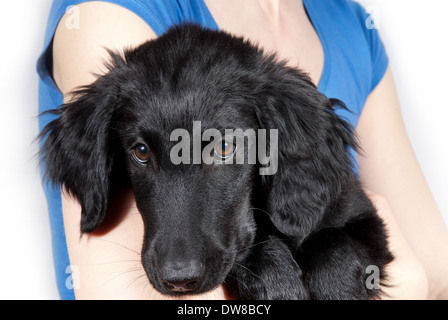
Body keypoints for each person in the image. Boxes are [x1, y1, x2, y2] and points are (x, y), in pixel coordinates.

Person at [37, 0, 448, 300]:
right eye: (143, 152)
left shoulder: (352, 26)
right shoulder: (112, 12)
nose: (179, 269)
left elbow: (435, 275)